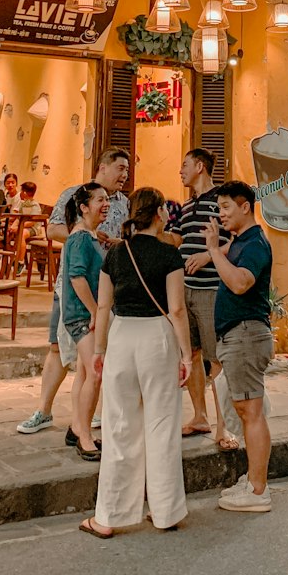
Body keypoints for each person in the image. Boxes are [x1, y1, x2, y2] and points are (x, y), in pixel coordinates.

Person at [79, 188, 193, 538]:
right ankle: (166, 511)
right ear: (159, 213)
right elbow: (176, 309)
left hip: (122, 336)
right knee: (161, 423)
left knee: (120, 426)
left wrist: (99, 350)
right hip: (157, 339)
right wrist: (186, 354)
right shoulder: (169, 255)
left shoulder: (114, 254)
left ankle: (109, 517)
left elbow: (102, 307)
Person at [16, 149, 130, 437]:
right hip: (73, 287)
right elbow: (53, 230)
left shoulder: (124, 203)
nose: (125, 175)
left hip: (108, 288)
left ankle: (89, 415)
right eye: (120, 168)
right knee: (57, 346)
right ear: (103, 167)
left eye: (127, 170)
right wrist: (86, 236)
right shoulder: (74, 194)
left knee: (96, 356)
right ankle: (43, 409)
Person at [205, 180, 274, 513]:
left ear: (245, 206)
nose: (222, 214)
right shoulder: (241, 241)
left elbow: (241, 282)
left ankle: (258, 491)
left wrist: (215, 251)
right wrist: (215, 250)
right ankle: (252, 480)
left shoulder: (255, 243)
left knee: (251, 412)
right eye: (219, 208)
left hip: (246, 334)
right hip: (237, 335)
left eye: (226, 207)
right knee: (248, 412)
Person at [173, 148, 239, 451]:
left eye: (185, 165)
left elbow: (236, 239)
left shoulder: (221, 202)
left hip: (211, 290)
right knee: (193, 354)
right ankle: (200, 416)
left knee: (217, 359)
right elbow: (174, 242)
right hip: (184, 289)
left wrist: (206, 255)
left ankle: (224, 427)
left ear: (200, 166)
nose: (180, 171)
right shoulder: (185, 207)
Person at [61, 182, 109, 462]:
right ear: (83, 207)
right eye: (99, 200)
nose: (106, 205)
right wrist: (94, 311)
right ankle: (85, 437)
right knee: (96, 372)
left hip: (85, 313)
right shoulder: (79, 238)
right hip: (81, 315)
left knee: (83, 372)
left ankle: (76, 427)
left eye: (107, 200)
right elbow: (77, 278)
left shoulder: (89, 236)